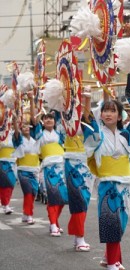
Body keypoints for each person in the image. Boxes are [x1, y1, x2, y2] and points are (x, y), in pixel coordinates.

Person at [84, 94, 130, 270]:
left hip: (126, 185)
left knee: (120, 223)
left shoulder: (126, 135)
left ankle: (110, 258)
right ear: (100, 114)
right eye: (105, 110)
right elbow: (86, 119)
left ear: (119, 115)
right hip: (107, 183)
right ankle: (112, 263)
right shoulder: (97, 133)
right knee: (111, 222)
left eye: (113, 111)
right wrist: (86, 100)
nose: (108, 114)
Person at [63, 87, 96, 252]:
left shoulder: (86, 121)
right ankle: (80, 237)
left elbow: (88, 120)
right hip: (71, 162)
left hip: (87, 163)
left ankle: (78, 236)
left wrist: (88, 99)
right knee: (78, 199)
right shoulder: (64, 118)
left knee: (84, 199)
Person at [32, 109, 68, 237]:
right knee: (53, 196)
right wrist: (32, 100)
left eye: (51, 118)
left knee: (63, 198)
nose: (48, 120)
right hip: (49, 168)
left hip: (62, 167)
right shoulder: (39, 134)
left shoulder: (59, 134)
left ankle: (54, 222)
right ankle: (53, 224)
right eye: (46, 118)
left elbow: (63, 118)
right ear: (42, 121)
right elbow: (33, 120)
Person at [12, 98, 40, 225]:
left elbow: (35, 121)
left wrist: (33, 101)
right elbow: (16, 132)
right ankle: (29, 215)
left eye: (26, 126)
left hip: (35, 170)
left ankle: (25, 213)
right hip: (23, 171)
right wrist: (14, 120)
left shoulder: (35, 139)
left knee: (33, 193)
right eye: (23, 127)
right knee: (29, 193)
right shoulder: (19, 140)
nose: (25, 128)